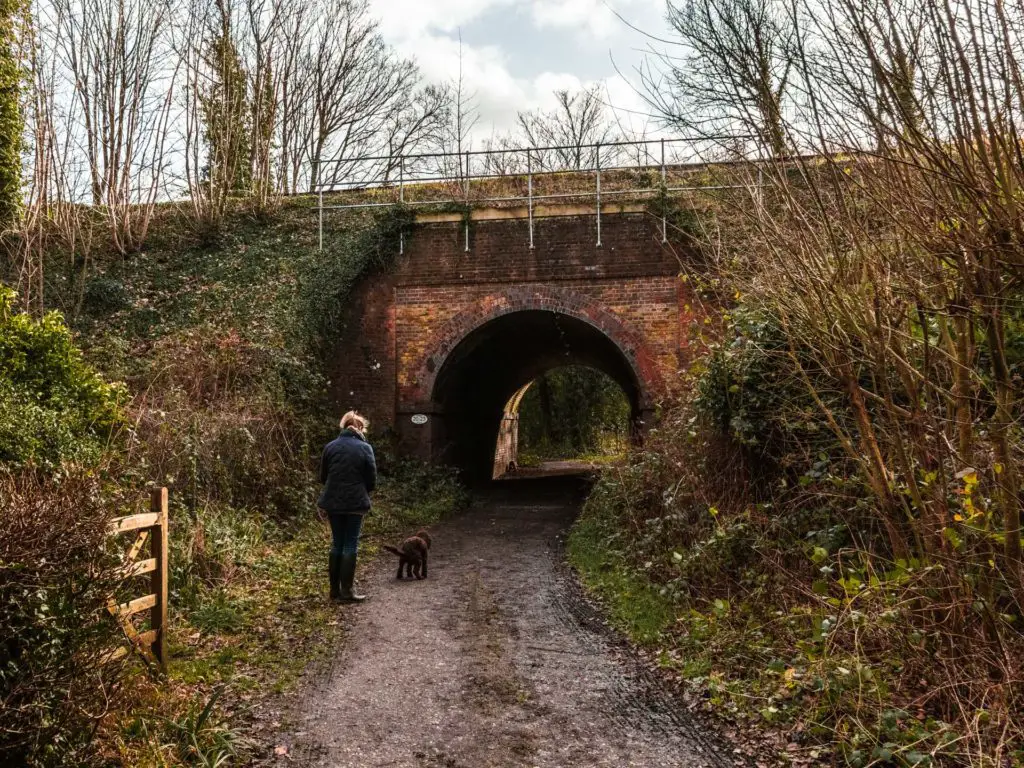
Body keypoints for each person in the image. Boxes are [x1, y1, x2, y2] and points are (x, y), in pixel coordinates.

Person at [318, 410, 377, 603]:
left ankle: (334, 591)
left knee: (337, 543)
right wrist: (361, 490)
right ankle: (347, 591)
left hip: (333, 501)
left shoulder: (330, 447)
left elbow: (323, 477)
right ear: (360, 428)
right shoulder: (365, 448)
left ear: (343, 426)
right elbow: (371, 480)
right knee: (350, 544)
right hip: (355, 502)